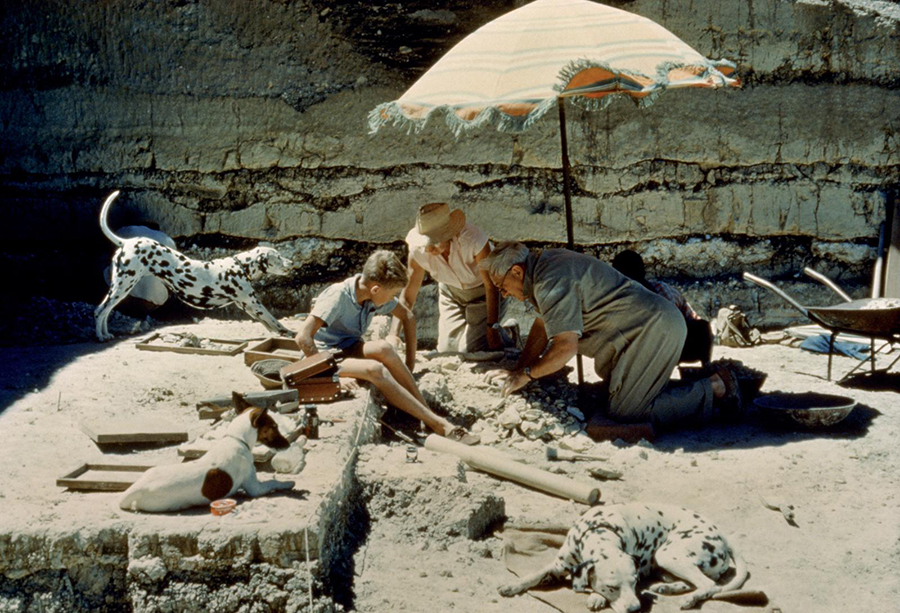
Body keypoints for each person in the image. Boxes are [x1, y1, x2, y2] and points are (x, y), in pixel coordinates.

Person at [479, 243, 742, 432]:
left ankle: (714, 388)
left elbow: (565, 348)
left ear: (516, 271)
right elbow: (541, 326)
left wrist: (526, 374)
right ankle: (701, 385)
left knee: (626, 412)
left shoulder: (550, 279)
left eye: (502, 287)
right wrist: (518, 368)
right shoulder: (547, 267)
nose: (503, 294)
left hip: (654, 329)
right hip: (648, 329)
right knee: (614, 393)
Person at [295, 250, 480, 445]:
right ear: (375, 289)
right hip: (326, 356)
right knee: (375, 369)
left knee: (384, 348)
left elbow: (408, 317)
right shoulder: (338, 296)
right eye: (391, 293)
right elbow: (303, 338)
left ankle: (424, 414)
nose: (393, 298)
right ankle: (439, 425)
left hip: (349, 346)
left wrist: (408, 368)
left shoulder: (368, 292)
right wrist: (330, 376)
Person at [389, 202, 509, 357]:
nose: (428, 249)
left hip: (483, 295)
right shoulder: (418, 251)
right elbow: (408, 296)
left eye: (434, 243)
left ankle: (509, 333)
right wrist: (394, 334)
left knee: (474, 349)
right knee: (448, 350)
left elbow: (491, 286)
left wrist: (492, 326)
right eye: (425, 244)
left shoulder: (474, 239)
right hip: (451, 294)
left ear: (449, 234)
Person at [611, 249, 714, 365]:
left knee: (700, 327)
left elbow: (689, 322)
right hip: (659, 348)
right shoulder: (622, 299)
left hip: (674, 345)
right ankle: (705, 367)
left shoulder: (661, 291)